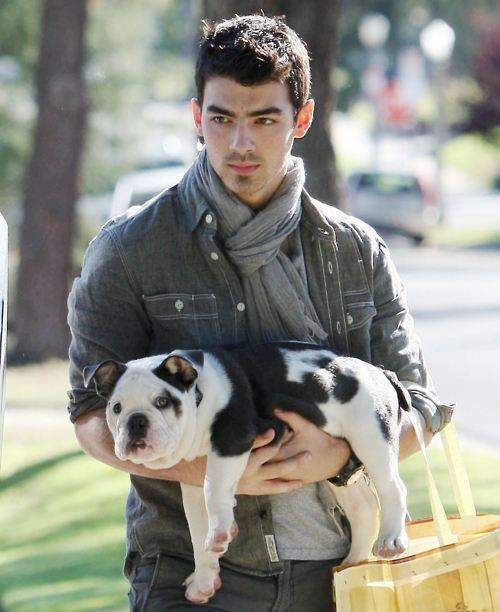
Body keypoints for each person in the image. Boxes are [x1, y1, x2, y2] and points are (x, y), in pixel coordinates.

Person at [67, 14, 452, 612]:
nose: (240, 143)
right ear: (197, 117)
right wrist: (210, 469)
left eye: (264, 120)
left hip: (339, 570)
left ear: (302, 118)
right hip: (186, 570)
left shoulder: (356, 251)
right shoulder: (128, 250)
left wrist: (342, 453)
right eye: (221, 119)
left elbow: (419, 405)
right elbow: (90, 415)